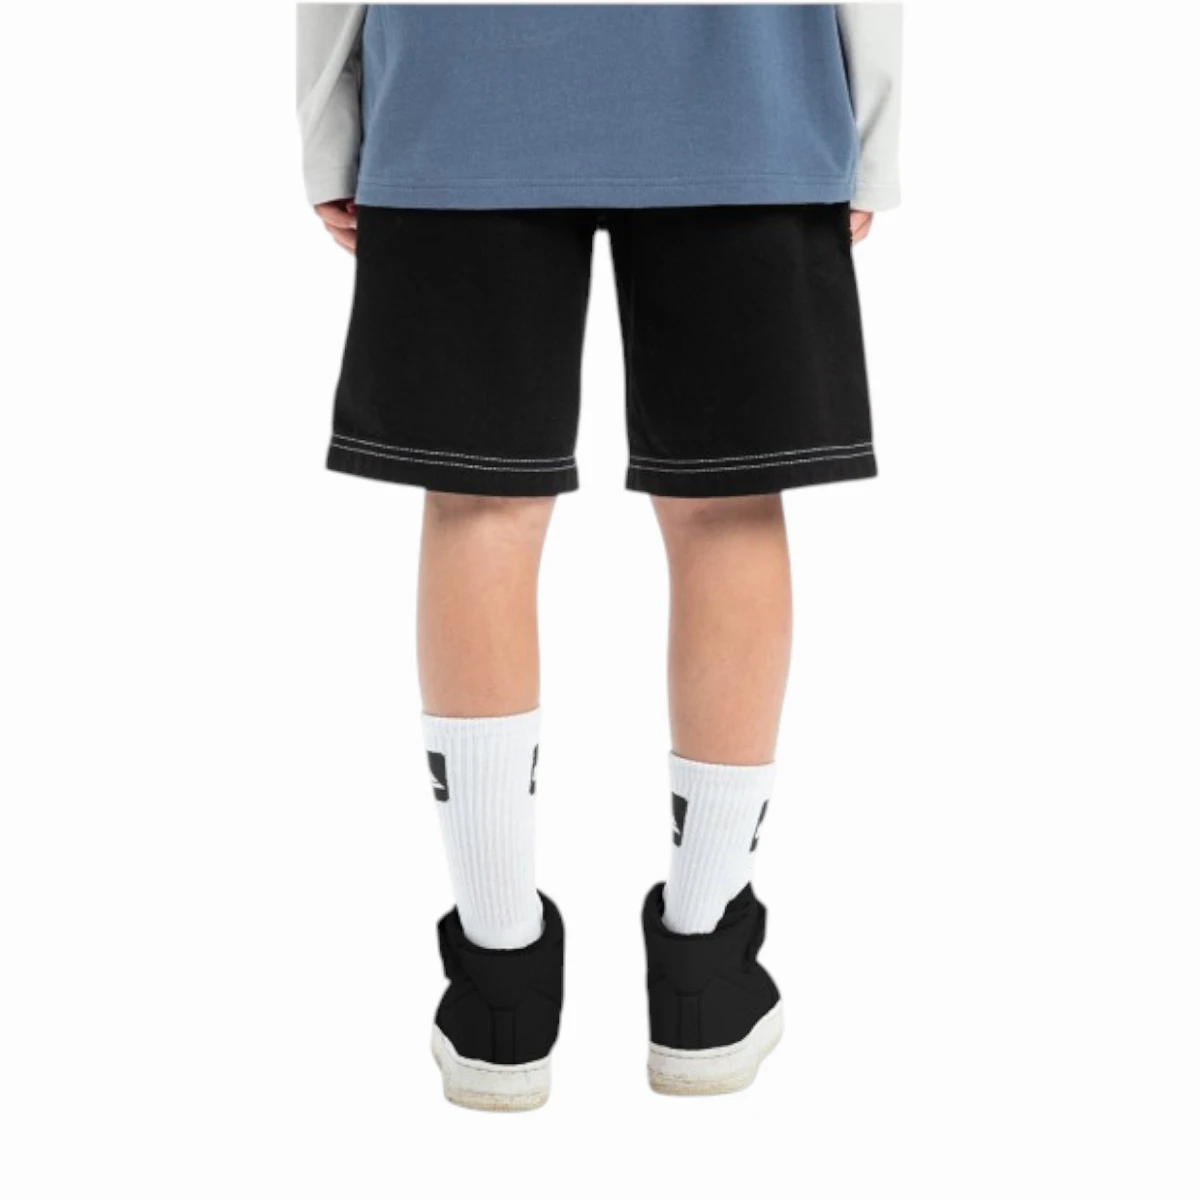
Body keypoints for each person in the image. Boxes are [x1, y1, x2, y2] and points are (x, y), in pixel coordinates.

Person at [297, 3, 901, 1111]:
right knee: (727, 502)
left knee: (481, 500)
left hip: (463, 76)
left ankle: (498, 984)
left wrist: (330, 114)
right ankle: (705, 968)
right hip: (748, 82)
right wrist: (869, 122)